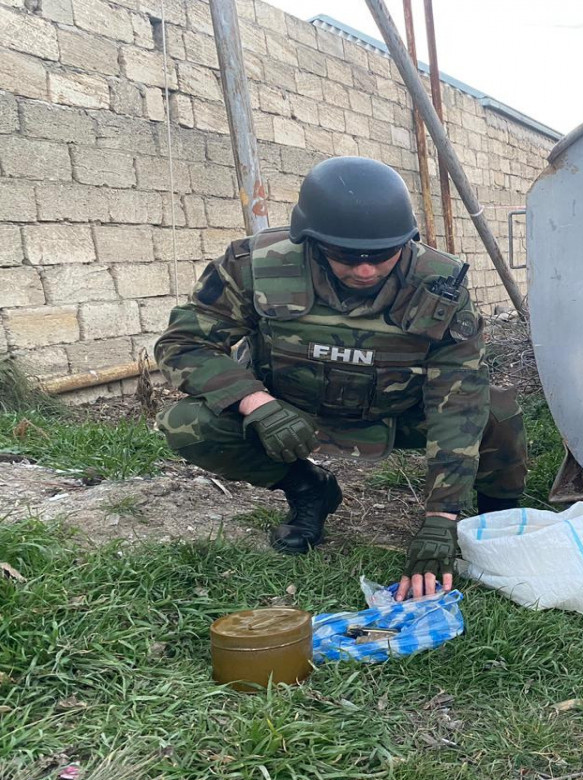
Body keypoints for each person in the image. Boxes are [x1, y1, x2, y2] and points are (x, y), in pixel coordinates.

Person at [154, 156, 527, 600]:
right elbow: (183, 343)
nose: (365, 271)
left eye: (382, 256)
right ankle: (308, 489)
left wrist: (441, 517)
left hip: (399, 414)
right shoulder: (254, 265)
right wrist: (257, 403)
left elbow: (459, 398)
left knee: (497, 411)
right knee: (189, 424)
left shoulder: (439, 285)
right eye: (347, 256)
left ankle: (495, 524)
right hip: (290, 414)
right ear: (311, 240)